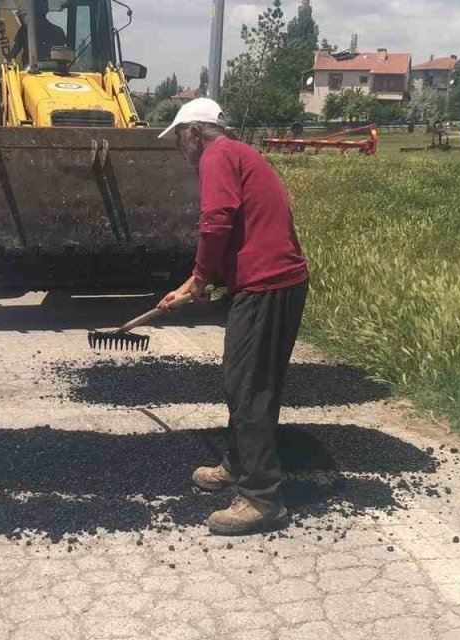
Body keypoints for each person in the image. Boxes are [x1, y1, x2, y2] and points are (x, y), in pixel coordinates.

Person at [158, 98, 309, 536]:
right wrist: (197, 285)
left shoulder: (217, 155)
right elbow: (244, 231)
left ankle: (262, 500)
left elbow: (216, 222)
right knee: (244, 381)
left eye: (179, 138)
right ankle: (238, 464)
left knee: (249, 388)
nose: (180, 149)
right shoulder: (237, 152)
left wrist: (201, 277)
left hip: (268, 286)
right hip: (270, 283)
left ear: (192, 132)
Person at [6, 0, 68, 65]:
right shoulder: (24, 30)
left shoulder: (57, 32)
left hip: (51, 71)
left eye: (40, 7)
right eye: (37, 8)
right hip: (28, 70)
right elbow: (12, 55)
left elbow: (63, 59)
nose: (38, 11)